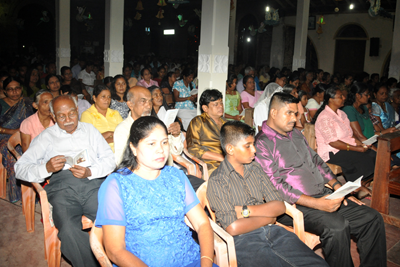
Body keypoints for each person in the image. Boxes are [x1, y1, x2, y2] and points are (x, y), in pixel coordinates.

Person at [254, 92, 387, 267]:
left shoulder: (296, 134)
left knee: (372, 218)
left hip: (323, 194)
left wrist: (339, 188)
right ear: (273, 113)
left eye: (296, 114)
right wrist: (318, 204)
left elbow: (317, 161)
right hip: (294, 205)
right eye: (289, 113)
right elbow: (276, 186)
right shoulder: (262, 144)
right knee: (337, 227)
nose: (294, 119)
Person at [96, 116, 216, 267]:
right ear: (133, 147)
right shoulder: (116, 185)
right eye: (151, 144)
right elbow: (115, 250)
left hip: (191, 260)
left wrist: (206, 262)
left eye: (164, 142)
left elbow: (202, 224)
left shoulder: (176, 176)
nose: (160, 150)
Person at [207, 121, 328, 267]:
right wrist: (269, 218)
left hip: (274, 232)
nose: (254, 150)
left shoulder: (255, 168)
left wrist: (245, 211)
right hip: (244, 242)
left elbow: (279, 206)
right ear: (230, 149)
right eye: (248, 146)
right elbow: (232, 227)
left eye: (253, 144)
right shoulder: (218, 180)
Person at [15, 95, 115, 267]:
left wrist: (90, 171)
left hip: (92, 183)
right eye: (61, 116)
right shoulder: (46, 137)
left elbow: (109, 159)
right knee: (68, 231)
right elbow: (20, 168)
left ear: (78, 111)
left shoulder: (90, 131)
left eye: (71, 114)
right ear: (53, 117)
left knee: (112, 222)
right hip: (62, 188)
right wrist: (46, 168)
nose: (68, 119)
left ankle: (113, 259)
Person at [313, 86, 376, 184]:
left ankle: (364, 183)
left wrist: (360, 144)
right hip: (332, 152)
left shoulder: (342, 114)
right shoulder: (324, 117)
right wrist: (356, 148)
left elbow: (350, 135)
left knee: (372, 154)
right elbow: (333, 143)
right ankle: (358, 186)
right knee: (362, 157)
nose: (344, 98)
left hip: (345, 147)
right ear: (331, 99)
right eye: (340, 96)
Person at [114, 86, 182, 166]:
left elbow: (176, 152)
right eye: (143, 101)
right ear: (130, 104)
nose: (149, 106)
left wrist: (176, 136)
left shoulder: (156, 125)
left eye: (150, 101)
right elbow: (121, 162)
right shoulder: (123, 129)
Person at [0, 77, 33, 202]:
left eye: (17, 88)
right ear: (5, 91)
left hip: (27, 135)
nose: (14, 92)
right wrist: (13, 132)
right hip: (5, 136)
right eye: (10, 89)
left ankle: (35, 189)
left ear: (21, 89)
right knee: (14, 154)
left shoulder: (27, 102)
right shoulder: (1, 103)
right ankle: (16, 192)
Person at [186, 89, 226, 175]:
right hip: (210, 165)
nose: (221, 106)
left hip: (229, 162)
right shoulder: (198, 122)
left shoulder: (226, 123)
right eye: (216, 104)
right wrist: (222, 158)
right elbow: (193, 150)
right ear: (205, 108)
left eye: (221, 103)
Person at [80, 84, 123, 152]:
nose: (107, 100)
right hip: (99, 153)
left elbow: (124, 133)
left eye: (109, 97)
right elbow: (89, 139)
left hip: (119, 150)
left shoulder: (115, 113)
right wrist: (110, 133)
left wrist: (106, 139)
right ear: (94, 98)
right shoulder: (87, 115)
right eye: (103, 97)